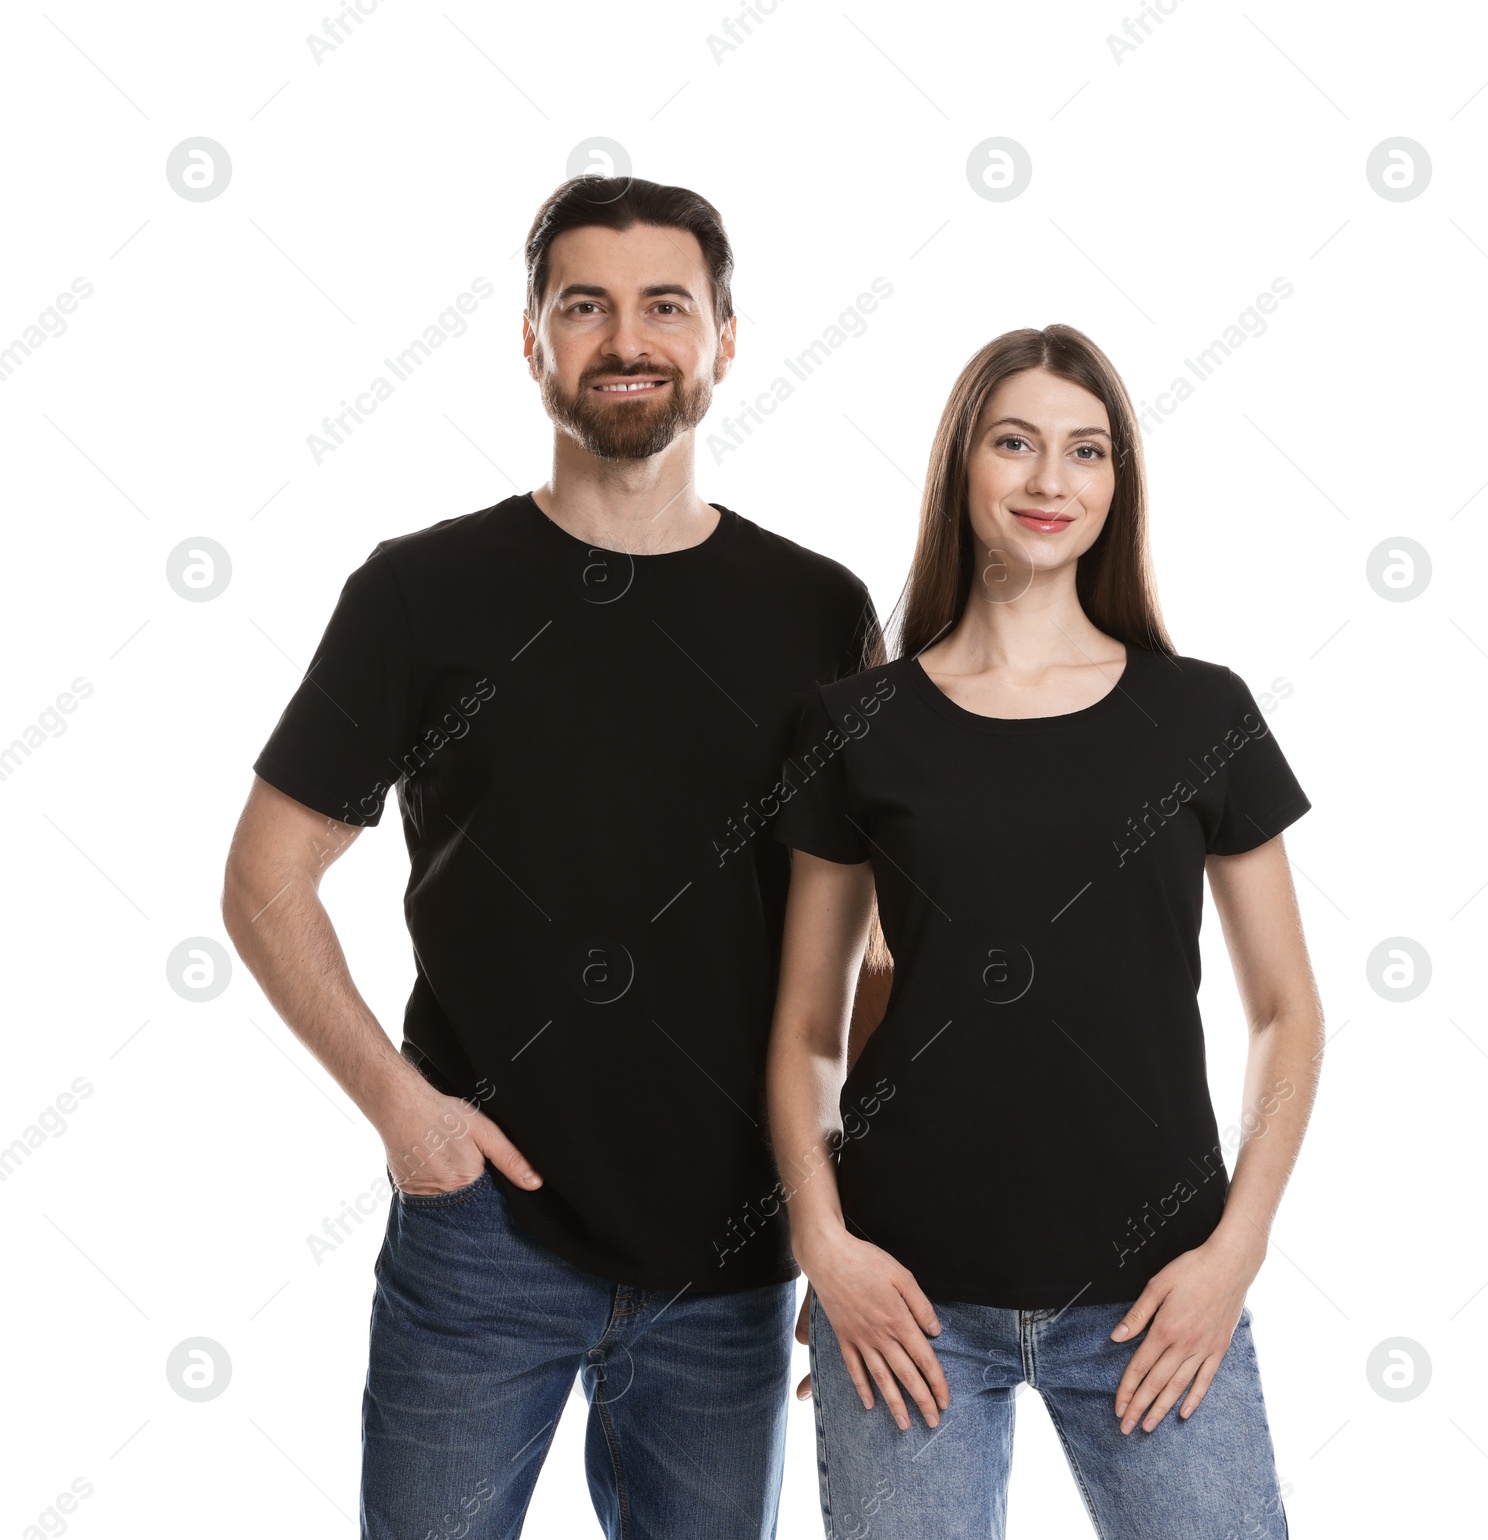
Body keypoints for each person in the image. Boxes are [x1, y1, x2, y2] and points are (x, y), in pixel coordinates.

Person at [221, 174, 882, 1540]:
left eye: (664, 307)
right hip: (482, 1242)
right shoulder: (422, 594)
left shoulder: (816, 613)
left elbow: (866, 953)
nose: (624, 340)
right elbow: (265, 878)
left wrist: (840, 1221)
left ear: (725, 340)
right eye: (584, 307)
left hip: (731, 1257)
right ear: (533, 341)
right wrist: (409, 1117)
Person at [766, 324, 1320, 1539]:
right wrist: (824, 1245)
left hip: (1158, 1296)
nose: (1049, 481)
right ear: (961, 467)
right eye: (1014, 443)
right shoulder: (858, 722)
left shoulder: (1198, 711)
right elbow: (807, 1022)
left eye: (1086, 451)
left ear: (1117, 485)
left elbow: (1286, 1010)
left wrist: (1237, 1250)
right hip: (905, 1300)